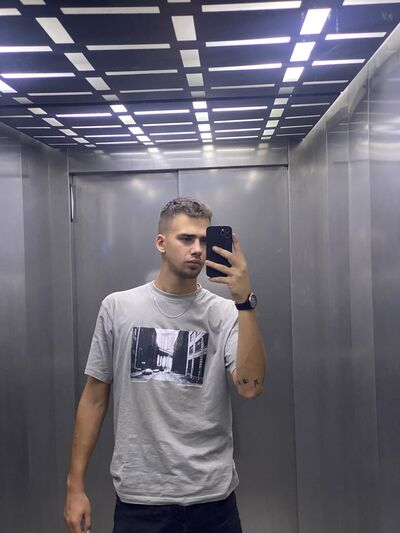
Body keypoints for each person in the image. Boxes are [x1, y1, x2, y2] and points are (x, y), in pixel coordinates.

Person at [64, 197, 266, 533]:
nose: (197, 249)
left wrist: (244, 303)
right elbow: (94, 398)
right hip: (141, 501)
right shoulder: (118, 308)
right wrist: (75, 487)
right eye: (186, 239)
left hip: (211, 499)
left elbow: (251, 387)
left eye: (203, 240)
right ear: (161, 242)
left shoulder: (226, 313)